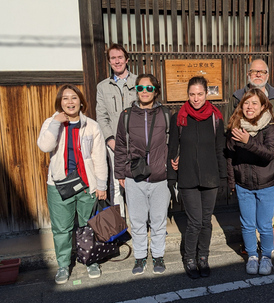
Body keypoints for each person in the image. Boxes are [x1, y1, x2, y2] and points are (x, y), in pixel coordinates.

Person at [37, 84, 108, 284]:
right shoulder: (51, 122)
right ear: (60, 103)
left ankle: (90, 261)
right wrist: (55, 123)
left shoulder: (91, 125)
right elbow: (45, 146)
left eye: (74, 98)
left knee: (88, 225)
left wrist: (101, 185)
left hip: (86, 185)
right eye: (65, 98)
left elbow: (99, 158)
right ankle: (63, 265)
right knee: (62, 228)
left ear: (81, 102)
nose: (70, 102)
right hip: (59, 185)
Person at [167, 76, 227, 279]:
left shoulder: (215, 118)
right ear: (187, 95)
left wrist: (224, 177)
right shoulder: (179, 117)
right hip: (187, 177)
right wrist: (171, 176)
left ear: (206, 94)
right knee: (194, 222)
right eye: (192, 94)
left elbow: (220, 149)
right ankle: (190, 258)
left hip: (210, 177)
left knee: (206, 221)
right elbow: (173, 147)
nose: (195, 98)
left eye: (200, 94)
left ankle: (204, 257)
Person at [114, 74, 171, 275]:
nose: (144, 92)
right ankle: (139, 257)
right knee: (137, 221)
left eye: (149, 88)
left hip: (160, 177)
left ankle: (157, 255)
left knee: (158, 220)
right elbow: (120, 145)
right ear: (136, 90)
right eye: (140, 88)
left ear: (156, 90)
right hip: (134, 176)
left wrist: (172, 167)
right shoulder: (127, 115)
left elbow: (172, 144)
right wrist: (120, 172)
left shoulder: (166, 113)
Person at [226, 88, 274, 275]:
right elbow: (230, 157)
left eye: (254, 103)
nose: (250, 107)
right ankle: (252, 255)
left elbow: (270, 154)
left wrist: (248, 140)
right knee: (247, 223)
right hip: (244, 184)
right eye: (246, 103)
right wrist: (232, 182)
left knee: (264, 224)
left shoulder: (271, 126)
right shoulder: (235, 125)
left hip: (266, 183)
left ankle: (266, 256)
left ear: (263, 106)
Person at [232, 58, 274, 211]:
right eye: (254, 71)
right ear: (248, 74)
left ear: (267, 75)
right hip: (245, 165)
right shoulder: (237, 98)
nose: (258, 75)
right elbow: (230, 128)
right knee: (247, 220)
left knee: (265, 219)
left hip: (268, 162)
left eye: (261, 72)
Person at [96, 44, 138, 213]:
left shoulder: (139, 82)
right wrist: (110, 139)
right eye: (113, 58)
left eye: (120, 57)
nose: (117, 61)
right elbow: (101, 116)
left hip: (138, 143)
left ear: (127, 59)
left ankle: (142, 223)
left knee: (140, 182)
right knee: (116, 184)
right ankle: (121, 225)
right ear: (109, 62)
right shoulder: (103, 86)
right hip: (114, 145)